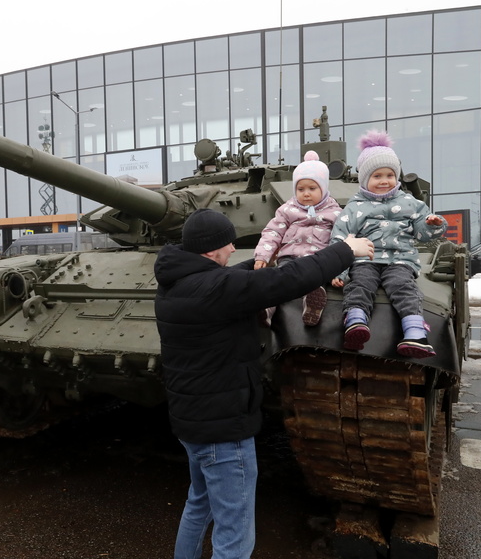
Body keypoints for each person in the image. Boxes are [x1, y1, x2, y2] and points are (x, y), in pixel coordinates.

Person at [154, 208, 374, 559]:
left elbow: (237, 280)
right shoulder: (219, 288)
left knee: (199, 505)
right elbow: (286, 283)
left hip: (193, 423)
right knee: (234, 534)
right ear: (212, 249)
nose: (232, 250)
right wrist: (345, 250)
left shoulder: (176, 282)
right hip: (223, 431)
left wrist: (263, 262)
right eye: (229, 244)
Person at [330, 130, 448, 358]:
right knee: (360, 285)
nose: (384, 181)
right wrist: (340, 270)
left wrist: (432, 224)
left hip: (400, 260)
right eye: (377, 176)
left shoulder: (409, 202)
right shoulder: (355, 207)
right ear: (365, 179)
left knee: (405, 289)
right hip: (366, 258)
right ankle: (356, 322)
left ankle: (415, 333)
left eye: (389, 175)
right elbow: (341, 237)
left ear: (397, 177)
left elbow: (423, 234)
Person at [253, 151, 343, 326]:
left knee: (315, 281)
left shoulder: (335, 213)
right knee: (278, 281)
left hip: (318, 260)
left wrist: (339, 269)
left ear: (323, 188)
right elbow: (273, 232)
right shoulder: (287, 210)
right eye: (300, 189)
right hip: (290, 257)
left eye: (312, 188)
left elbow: (339, 240)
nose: (306, 194)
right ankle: (266, 311)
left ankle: (311, 305)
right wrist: (262, 255)